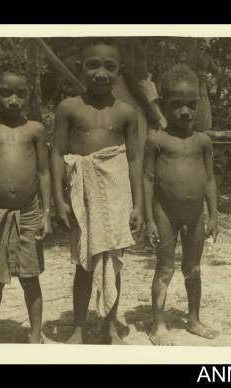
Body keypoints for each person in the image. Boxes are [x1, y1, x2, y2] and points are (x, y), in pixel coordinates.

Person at [51, 38, 144, 344]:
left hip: (117, 195)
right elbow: (57, 154)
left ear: (120, 71)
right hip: (82, 196)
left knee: (113, 261)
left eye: (109, 66)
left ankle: (110, 326)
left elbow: (133, 158)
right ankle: (79, 327)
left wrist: (138, 205)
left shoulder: (127, 113)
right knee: (83, 261)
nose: (100, 73)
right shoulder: (69, 108)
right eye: (92, 65)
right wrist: (59, 199)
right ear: (80, 68)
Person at [0, 51, 52, 344]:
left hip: (29, 212)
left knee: (31, 277)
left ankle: (34, 334)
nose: (13, 100)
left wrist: (45, 214)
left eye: (20, 93)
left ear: (29, 93)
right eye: (6, 93)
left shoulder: (35, 130)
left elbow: (43, 172)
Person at [143, 65, 219, 346]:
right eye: (177, 105)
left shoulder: (203, 142)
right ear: (163, 105)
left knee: (193, 267)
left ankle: (194, 319)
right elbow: (148, 179)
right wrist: (149, 219)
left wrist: (214, 215)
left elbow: (210, 179)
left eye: (192, 105)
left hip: (195, 214)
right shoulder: (157, 140)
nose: (185, 112)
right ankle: (158, 325)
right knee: (164, 268)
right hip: (165, 213)